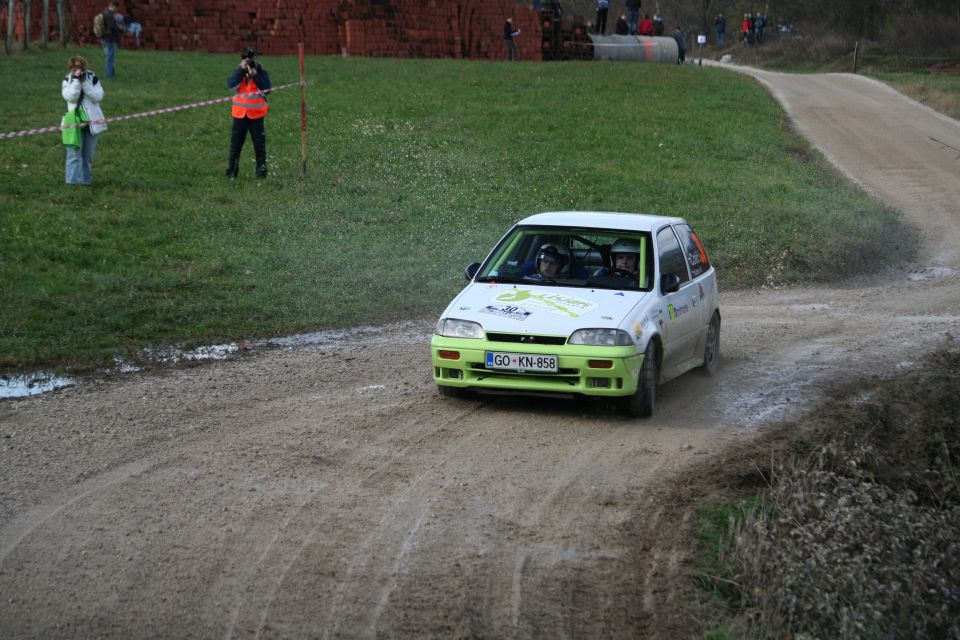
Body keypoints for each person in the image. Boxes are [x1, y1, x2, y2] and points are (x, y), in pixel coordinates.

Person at [61, 56, 107, 185]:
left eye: (80, 68)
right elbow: (71, 97)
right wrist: (76, 82)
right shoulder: (67, 80)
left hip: (92, 122)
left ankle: (85, 182)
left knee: (87, 157)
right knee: (73, 155)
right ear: (71, 69)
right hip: (73, 122)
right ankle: (72, 183)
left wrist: (85, 84)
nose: (78, 71)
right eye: (75, 68)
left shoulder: (92, 78)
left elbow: (98, 97)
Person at [226, 47, 271, 179]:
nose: (250, 63)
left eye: (252, 60)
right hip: (239, 115)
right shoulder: (239, 72)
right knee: (235, 146)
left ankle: (261, 173)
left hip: (256, 115)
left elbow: (266, 89)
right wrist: (241, 70)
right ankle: (232, 172)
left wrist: (255, 74)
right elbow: (231, 85)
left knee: (259, 147)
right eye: (247, 61)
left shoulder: (261, 72)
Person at [96, 1, 122, 78]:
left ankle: (111, 74)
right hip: (109, 39)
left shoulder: (104, 13)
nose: (117, 10)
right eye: (117, 8)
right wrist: (119, 30)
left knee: (108, 57)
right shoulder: (109, 15)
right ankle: (109, 76)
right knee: (110, 58)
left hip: (104, 38)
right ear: (114, 7)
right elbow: (112, 27)